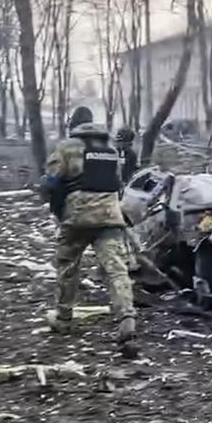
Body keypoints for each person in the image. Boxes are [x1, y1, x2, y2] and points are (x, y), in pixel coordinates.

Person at [41, 106, 137, 347]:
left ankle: (63, 318)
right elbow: (118, 182)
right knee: (116, 268)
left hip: (78, 217)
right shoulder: (110, 148)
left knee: (68, 266)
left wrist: (55, 206)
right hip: (111, 215)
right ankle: (126, 314)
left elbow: (52, 181)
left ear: (73, 124)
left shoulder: (66, 147)